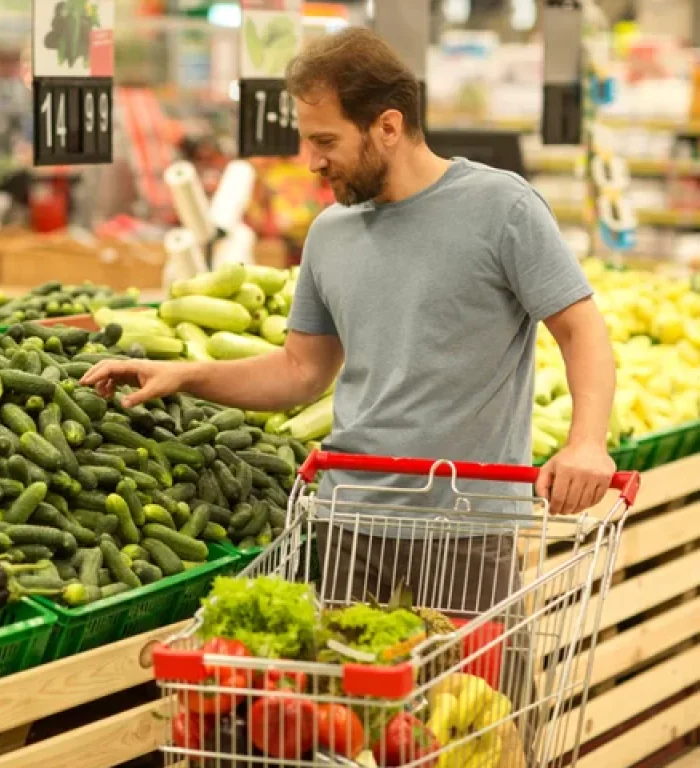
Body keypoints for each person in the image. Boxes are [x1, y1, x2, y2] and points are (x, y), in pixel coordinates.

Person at [80, 28, 617, 618]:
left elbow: (581, 329)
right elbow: (300, 372)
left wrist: (587, 443)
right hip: (348, 521)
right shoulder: (329, 234)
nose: (312, 162)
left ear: (387, 126)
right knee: (344, 680)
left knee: (477, 680)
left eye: (326, 141)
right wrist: (184, 375)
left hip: (466, 526)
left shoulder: (502, 208)